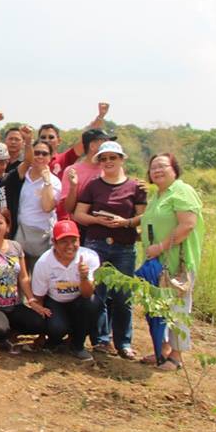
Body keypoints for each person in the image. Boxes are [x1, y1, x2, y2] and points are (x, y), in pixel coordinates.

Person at [73, 141, 147, 358]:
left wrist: (125, 222)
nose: (108, 162)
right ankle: (101, 340)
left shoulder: (135, 187)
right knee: (99, 295)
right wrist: (99, 221)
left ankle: (123, 342)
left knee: (123, 297)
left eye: (113, 157)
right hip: (97, 245)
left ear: (121, 159)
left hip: (124, 247)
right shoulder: (93, 186)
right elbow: (79, 214)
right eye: (104, 159)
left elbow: (143, 216)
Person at [140, 153, 204, 371]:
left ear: (174, 169)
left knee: (177, 308)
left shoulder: (181, 191)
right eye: (153, 167)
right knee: (158, 307)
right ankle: (164, 348)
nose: (157, 170)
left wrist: (160, 247)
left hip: (177, 263)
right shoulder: (158, 195)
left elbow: (187, 225)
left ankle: (176, 357)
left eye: (162, 166)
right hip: (157, 262)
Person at [28, 220, 101, 361]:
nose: (70, 246)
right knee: (57, 328)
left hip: (79, 301)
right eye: (64, 242)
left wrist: (84, 277)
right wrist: (41, 333)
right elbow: (39, 298)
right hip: (55, 302)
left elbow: (87, 294)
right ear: (54, 243)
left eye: (74, 241)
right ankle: (54, 341)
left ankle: (77, 345)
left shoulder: (90, 257)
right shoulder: (44, 263)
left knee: (93, 304)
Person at [0, 207, 44, 352]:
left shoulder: (16, 247)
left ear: (8, 226)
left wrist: (32, 300)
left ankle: (8, 332)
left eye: (0, 223)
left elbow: (23, 277)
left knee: (38, 323)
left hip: (14, 305)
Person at [16, 138, 61, 269]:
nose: (40, 156)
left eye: (44, 153)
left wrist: (47, 182)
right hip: (21, 232)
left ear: (51, 157)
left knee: (39, 274)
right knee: (20, 274)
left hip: (42, 235)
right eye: (36, 153)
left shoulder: (54, 181)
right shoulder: (23, 175)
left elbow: (47, 207)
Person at [61, 127, 117, 219]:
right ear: (92, 146)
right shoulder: (72, 171)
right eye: (105, 142)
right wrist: (73, 187)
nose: (109, 146)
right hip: (81, 224)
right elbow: (68, 209)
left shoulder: (111, 168)